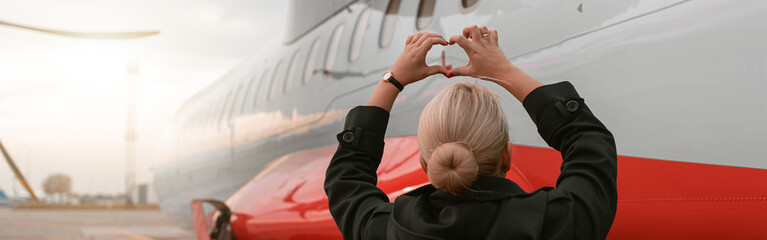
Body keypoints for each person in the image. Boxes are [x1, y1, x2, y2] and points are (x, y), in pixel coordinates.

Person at [324, 25, 617, 240]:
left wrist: (392, 80)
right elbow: (590, 142)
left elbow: (345, 179)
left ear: (426, 163)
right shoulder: (558, 222)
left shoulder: (387, 231)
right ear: (506, 155)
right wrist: (503, 70)